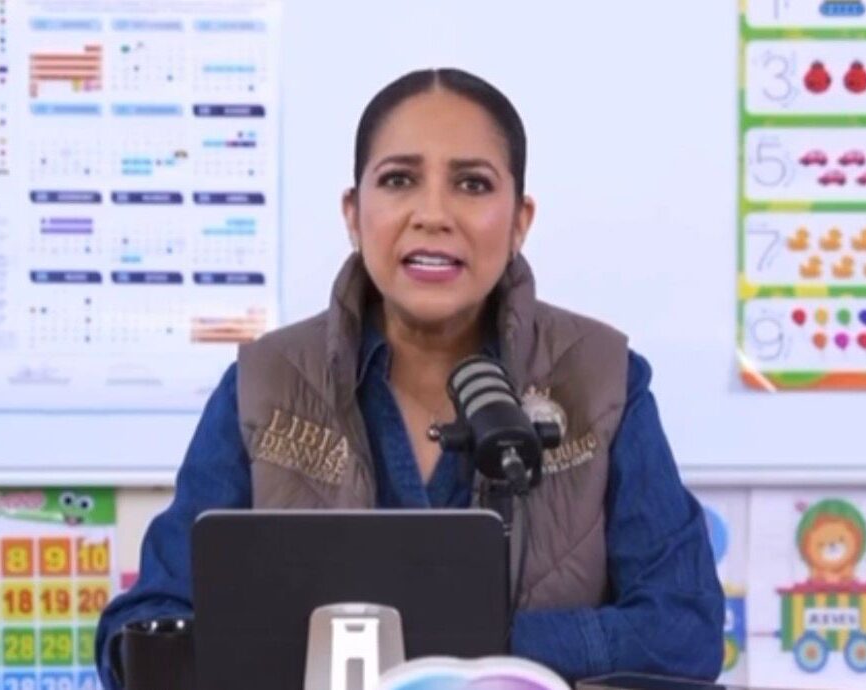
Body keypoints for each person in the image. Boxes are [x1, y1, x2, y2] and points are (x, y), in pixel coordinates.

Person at [96, 67, 724, 686]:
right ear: (353, 212)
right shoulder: (264, 384)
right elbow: (145, 625)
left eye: (472, 184)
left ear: (520, 221)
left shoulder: (603, 380)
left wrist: (470, 648)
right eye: (399, 180)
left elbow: (684, 632)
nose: (433, 214)